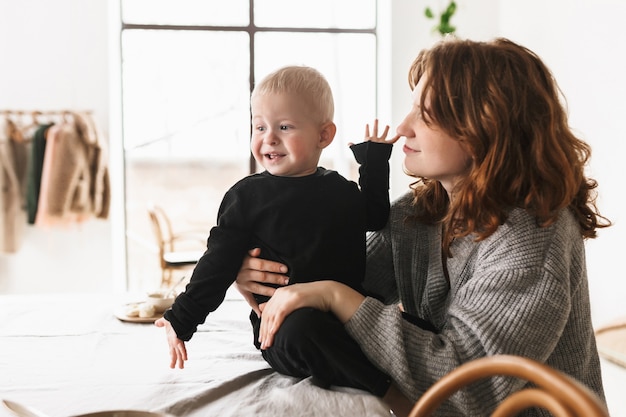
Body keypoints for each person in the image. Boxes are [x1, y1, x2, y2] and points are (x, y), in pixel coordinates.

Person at [234, 37, 611, 416]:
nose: (403, 127)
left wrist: (335, 295)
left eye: (426, 113)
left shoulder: (531, 239)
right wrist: (264, 274)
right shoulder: (420, 213)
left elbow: (471, 387)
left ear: (484, 126)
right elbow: (339, 275)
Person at [155, 65, 399, 392]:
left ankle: (402, 370)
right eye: (259, 127)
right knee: (304, 331)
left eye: (284, 127)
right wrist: (179, 320)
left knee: (395, 320)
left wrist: (374, 161)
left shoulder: (340, 190)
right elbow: (216, 266)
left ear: (324, 135)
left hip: (345, 313)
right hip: (281, 324)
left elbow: (375, 218)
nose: (268, 138)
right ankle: (385, 388)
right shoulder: (246, 197)